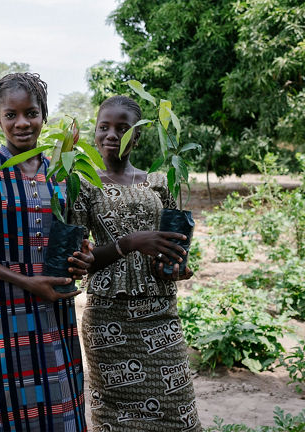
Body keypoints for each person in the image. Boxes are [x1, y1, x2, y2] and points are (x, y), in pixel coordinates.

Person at [0, 73, 89, 431]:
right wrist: (26, 281)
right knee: (5, 407)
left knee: (58, 407)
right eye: (10, 115)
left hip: (55, 310)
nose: (21, 123)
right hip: (5, 308)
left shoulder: (61, 173)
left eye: (31, 113)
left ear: (43, 116)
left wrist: (81, 253)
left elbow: (71, 236)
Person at [71, 95, 201, 431]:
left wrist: (176, 265)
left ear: (137, 136)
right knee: (115, 417)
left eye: (122, 128)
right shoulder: (84, 184)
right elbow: (79, 261)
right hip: (108, 319)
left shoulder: (158, 182)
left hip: (159, 311)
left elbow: (173, 243)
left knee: (178, 411)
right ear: (95, 132)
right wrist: (129, 243)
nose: (111, 134)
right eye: (104, 127)